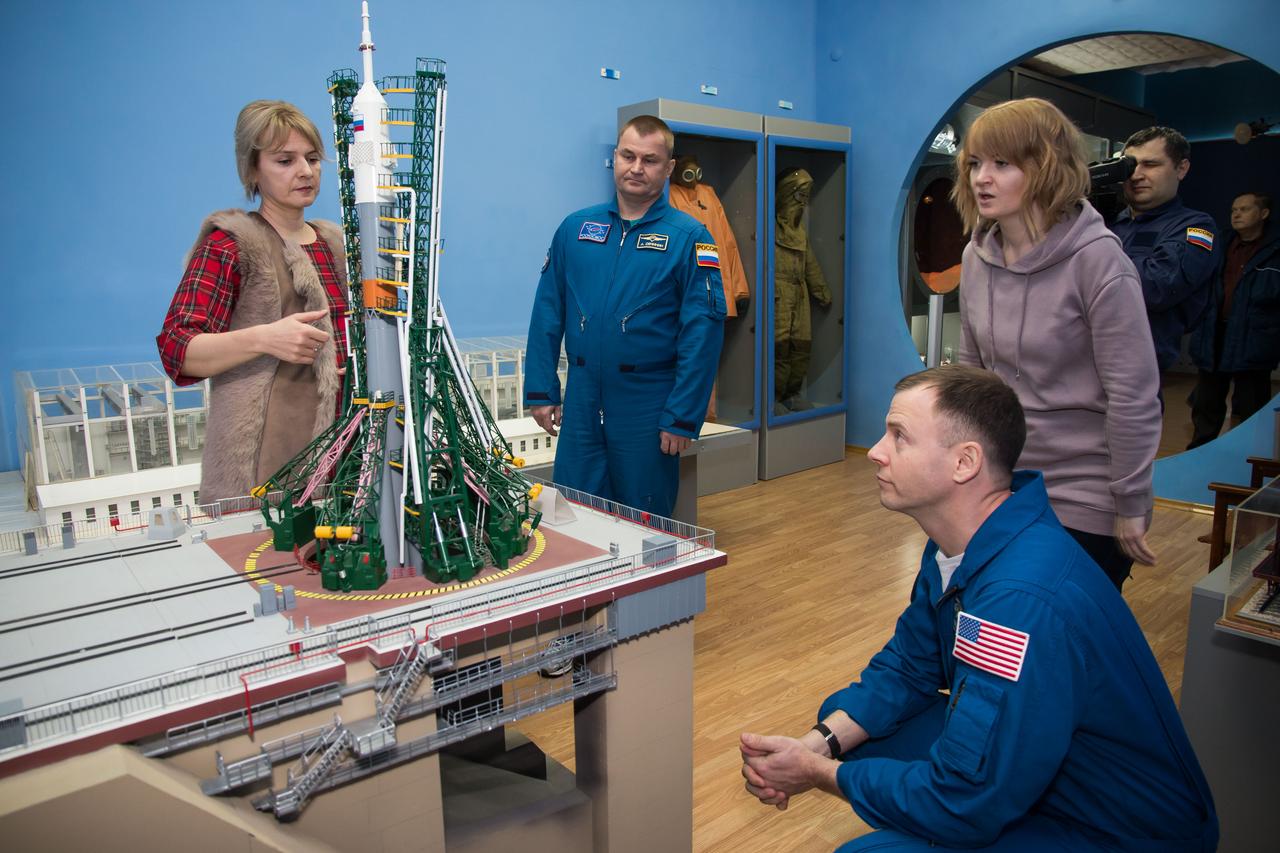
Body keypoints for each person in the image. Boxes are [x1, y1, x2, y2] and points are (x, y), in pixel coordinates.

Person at [739, 366, 1218, 852]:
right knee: (852, 728)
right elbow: (909, 666)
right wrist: (816, 745)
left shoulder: (1019, 600)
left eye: (898, 436)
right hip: (1060, 777)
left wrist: (818, 774)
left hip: (1118, 828)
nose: (877, 453)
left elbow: (963, 799)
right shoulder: (961, 545)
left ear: (965, 463)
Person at [952, 97, 1161, 591]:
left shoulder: (1100, 263)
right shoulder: (976, 258)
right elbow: (970, 379)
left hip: (1082, 491)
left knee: (1053, 643)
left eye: (1002, 163)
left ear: (1045, 167)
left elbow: (1132, 397)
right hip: (999, 482)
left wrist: (1131, 504)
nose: (982, 178)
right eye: (976, 163)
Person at [523, 115, 725, 517]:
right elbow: (547, 311)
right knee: (574, 512)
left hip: (648, 403)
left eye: (650, 160)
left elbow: (702, 334)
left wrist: (682, 416)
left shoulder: (690, 238)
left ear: (668, 168)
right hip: (581, 399)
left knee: (643, 518)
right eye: (628, 155)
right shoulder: (575, 230)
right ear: (614, 158)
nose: (636, 167)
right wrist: (542, 390)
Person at [157, 100, 348, 505]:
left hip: (348, 459)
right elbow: (178, 349)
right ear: (252, 170)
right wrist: (265, 338)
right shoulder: (231, 244)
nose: (305, 171)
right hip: (263, 466)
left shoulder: (338, 246)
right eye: (284, 160)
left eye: (312, 159)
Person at [1110, 126, 1218, 373]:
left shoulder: (1195, 227)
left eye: (1150, 164)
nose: (1136, 175)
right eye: (1131, 165)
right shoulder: (1107, 223)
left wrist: (1091, 256)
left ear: (1181, 169)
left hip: (1135, 369)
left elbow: (1157, 288)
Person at [1187, 191, 1280, 448]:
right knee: (1206, 403)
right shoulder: (1220, 244)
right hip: (1214, 335)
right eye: (1233, 210)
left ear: (1263, 214)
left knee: (1252, 406)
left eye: (1244, 209)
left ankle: (1252, 460)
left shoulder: (1275, 250)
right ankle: (1199, 454)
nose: (1236, 214)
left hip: (1254, 338)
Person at [774, 167, 832, 412]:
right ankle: (773, 396)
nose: (803, 202)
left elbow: (810, 265)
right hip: (778, 295)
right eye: (799, 195)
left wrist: (821, 291)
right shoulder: (770, 229)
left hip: (799, 295)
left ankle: (792, 393)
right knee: (779, 347)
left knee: (800, 347)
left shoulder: (799, 233)